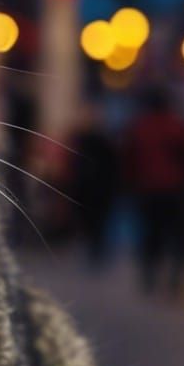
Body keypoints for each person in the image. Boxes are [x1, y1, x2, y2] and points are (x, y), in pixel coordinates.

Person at [123, 86, 184, 296]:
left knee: (151, 235)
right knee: (177, 236)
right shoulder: (178, 126)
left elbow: (129, 159)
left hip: (148, 189)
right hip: (175, 189)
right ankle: (175, 279)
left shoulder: (140, 127)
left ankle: (150, 276)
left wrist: (131, 184)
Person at [69, 106, 120, 267]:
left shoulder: (83, 142)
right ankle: (96, 248)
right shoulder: (102, 142)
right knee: (98, 220)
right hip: (100, 188)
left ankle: (94, 247)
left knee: (93, 219)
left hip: (90, 187)